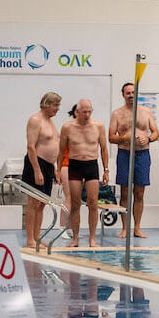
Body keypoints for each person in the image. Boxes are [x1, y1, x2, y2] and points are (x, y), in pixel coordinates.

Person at [108, 82, 158, 240]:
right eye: (128, 93)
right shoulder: (117, 114)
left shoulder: (146, 112)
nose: (131, 95)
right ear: (123, 95)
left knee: (140, 192)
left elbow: (156, 132)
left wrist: (149, 139)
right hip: (125, 153)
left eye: (133, 92)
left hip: (142, 154)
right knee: (124, 192)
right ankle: (125, 228)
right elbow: (111, 137)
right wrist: (125, 137)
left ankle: (137, 228)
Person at [59, 98, 109, 248]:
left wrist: (106, 170)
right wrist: (57, 169)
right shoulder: (67, 127)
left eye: (89, 111)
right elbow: (61, 151)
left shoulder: (98, 126)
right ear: (77, 112)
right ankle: (75, 238)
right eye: (84, 112)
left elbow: (104, 149)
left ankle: (92, 239)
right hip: (75, 165)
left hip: (91, 165)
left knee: (93, 203)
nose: (87, 115)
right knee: (75, 203)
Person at [22, 91, 61, 250]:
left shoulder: (50, 121)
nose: (58, 108)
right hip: (36, 164)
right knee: (33, 203)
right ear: (47, 104)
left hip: (48, 166)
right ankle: (29, 239)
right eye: (56, 105)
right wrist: (37, 171)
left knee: (42, 203)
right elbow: (31, 147)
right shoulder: (35, 120)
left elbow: (53, 146)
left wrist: (55, 169)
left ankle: (37, 237)